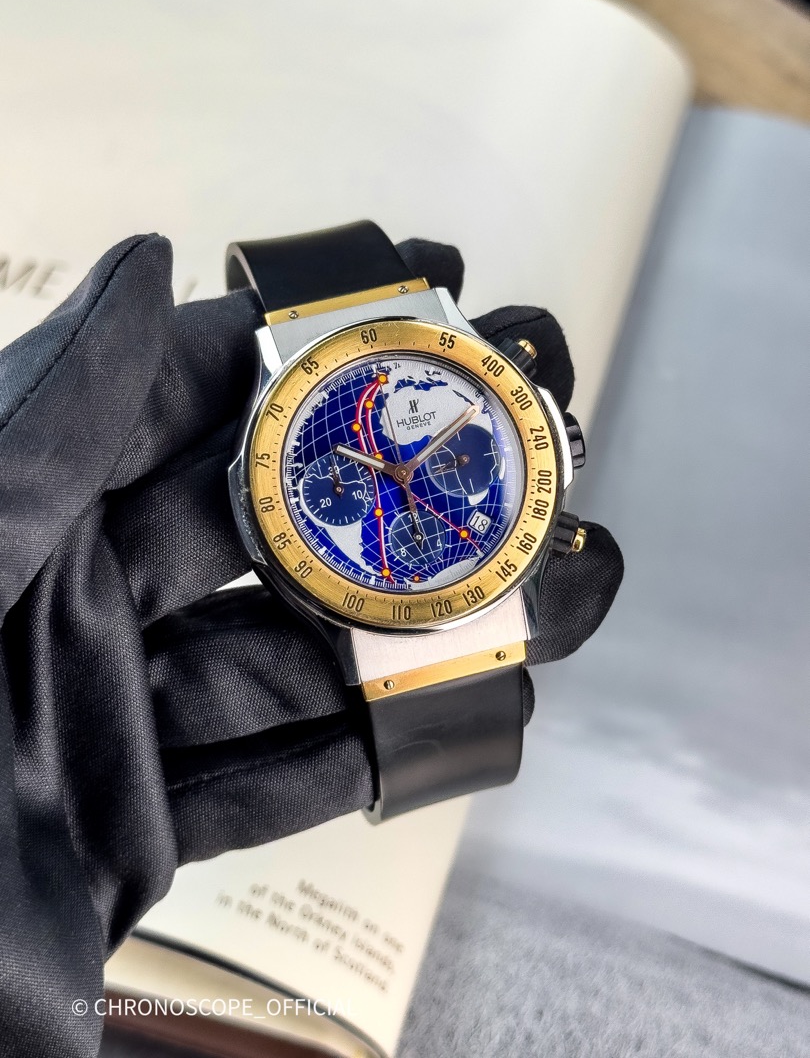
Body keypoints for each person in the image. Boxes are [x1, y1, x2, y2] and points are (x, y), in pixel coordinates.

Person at [0, 232, 622, 1057]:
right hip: (374, 557)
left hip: (432, 565)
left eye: (433, 459)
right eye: (385, 465)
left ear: (549, 446)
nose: (404, 475)